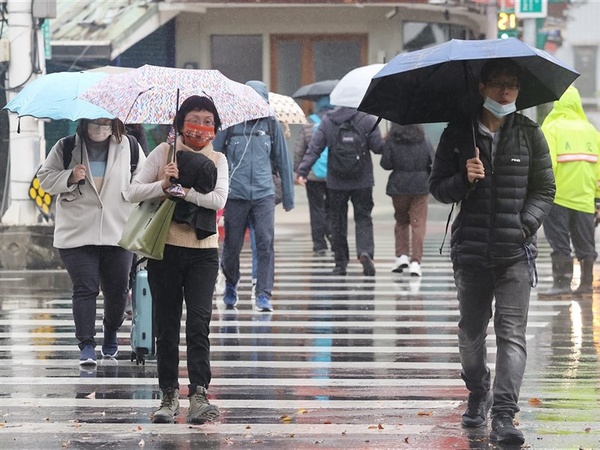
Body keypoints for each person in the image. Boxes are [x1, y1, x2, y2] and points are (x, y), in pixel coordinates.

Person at [428, 58, 555, 445]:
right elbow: (437, 188)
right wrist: (463, 179)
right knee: (470, 333)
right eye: (499, 84)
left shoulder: (529, 134)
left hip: (515, 252)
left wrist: (525, 225)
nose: (506, 93)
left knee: (512, 334)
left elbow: (544, 189)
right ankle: (478, 388)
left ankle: (504, 415)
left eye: (513, 86)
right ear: (483, 87)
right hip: (470, 251)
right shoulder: (457, 134)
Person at [127, 95, 228, 424]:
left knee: (199, 323)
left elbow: (218, 199)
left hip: (204, 253)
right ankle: (168, 395)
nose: (201, 127)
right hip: (166, 250)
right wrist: (164, 183)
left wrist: (185, 193)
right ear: (180, 124)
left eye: (208, 121)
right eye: (195, 119)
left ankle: (199, 394)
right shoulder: (162, 154)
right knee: (166, 326)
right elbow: (133, 191)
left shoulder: (219, 158)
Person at [38, 118, 146, 366]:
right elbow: (45, 179)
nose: (100, 127)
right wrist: (69, 176)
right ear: (83, 122)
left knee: (117, 291)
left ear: (115, 123)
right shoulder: (65, 147)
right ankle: (86, 345)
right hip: (77, 232)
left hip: (118, 230)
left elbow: (143, 180)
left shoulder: (130, 147)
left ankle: (110, 333)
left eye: (105, 122)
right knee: (85, 288)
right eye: (94, 122)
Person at [212, 80, 295, 312]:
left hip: (263, 195)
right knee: (232, 245)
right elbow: (215, 156)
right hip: (235, 195)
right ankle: (231, 284)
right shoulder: (230, 124)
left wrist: (288, 196)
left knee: (266, 243)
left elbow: (283, 161)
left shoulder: (271, 125)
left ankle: (263, 294)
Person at [296, 105, 383, 276]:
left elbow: (315, 148)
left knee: (338, 222)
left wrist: (303, 170)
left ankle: (341, 263)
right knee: (363, 217)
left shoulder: (328, 120)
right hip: (362, 179)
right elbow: (377, 147)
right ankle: (365, 251)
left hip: (337, 180)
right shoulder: (367, 119)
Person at [539, 86, 600, 297]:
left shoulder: (552, 127)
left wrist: (539, 192)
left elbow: (547, 164)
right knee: (585, 242)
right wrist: (597, 200)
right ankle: (585, 286)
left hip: (559, 197)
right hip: (585, 199)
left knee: (560, 242)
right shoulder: (591, 130)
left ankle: (562, 284)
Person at [381, 123, 434, 276]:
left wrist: (386, 143)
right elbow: (431, 161)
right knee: (418, 224)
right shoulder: (423, 139)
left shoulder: (392, 139)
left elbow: (386, 164)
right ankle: (416, 262)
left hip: (398, 186)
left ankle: (402, 255)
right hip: (420, 186)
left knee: (401, 221)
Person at [294, 95, 334, 255]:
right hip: (333, 174)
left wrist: (299, 170)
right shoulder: (335, 120)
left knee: (316, 208)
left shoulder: (309, 122)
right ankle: (331, 234)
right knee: (332, 208)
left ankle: (319, 243)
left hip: (312, 174)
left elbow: (299, 149)